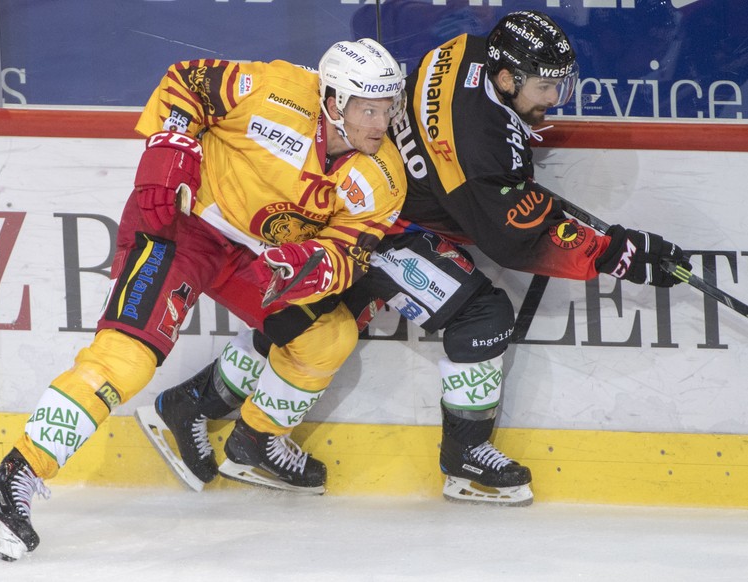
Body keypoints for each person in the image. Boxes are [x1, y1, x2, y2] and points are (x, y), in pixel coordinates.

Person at [145, 10, 692, 507]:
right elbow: (515, 238)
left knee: (313, 320)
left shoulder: (469, 49)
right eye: (545, 86)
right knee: (482, 315)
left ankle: (197, 406)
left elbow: (496, 193)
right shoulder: (483, 146)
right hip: (382, 221)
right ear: (506, 79)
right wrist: (619, 253)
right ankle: (463, 457)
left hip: (354, 200)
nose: (553, 98)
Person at [0, 38, 407, 561]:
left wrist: (314, 266)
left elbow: (351, 249)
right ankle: (12, 476)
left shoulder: (383, 176)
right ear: (331, 102)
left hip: (257, 259)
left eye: (388, 109)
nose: (380, 123)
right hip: (182, 226)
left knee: (328, 336)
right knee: (128, 358)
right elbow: (188, 81)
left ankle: (254, 442)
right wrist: (173, 140)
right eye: (368, 109)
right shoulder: (274, 90)